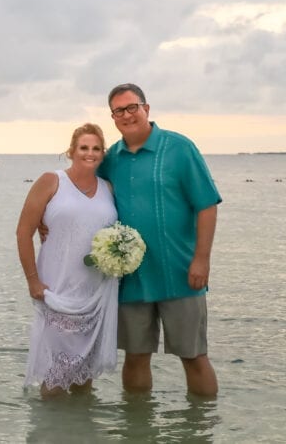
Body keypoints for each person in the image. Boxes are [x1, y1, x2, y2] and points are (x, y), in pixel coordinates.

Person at [96, 83, 222, 398]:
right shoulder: (111, 158)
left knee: (193, 356)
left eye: (132, 107)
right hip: (132, 276)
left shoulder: (180, 148)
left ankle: (201, 428)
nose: (127, 115)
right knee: (135, 356)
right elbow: (84, 194)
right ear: (113, 117)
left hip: (181, 272)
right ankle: (137, 429)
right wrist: (45, 221)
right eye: (119, 111)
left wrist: (201, 259)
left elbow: (206, 205)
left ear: (146, 109)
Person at [16, 123, 119, 396]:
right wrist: (32, 281)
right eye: (84, 147)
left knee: (84, 381)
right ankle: (50, 432)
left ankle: (81, 433)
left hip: (96, 294)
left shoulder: (108, 187)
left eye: (96, 148)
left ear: (103, 153)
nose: (90, 153)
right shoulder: (51, 181)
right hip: (57, 290)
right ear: (71, 151)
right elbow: (23, 231)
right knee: (54, 381)